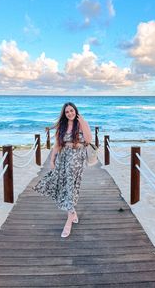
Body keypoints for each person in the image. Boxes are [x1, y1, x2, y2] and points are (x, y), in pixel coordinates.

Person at [32, 102, 92, 238]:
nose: (70, 113)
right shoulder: (63, 126)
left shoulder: (82, 123)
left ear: (76, 111)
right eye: (67, 112)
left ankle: (69, 221)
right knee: (63, 185)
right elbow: (58, 144)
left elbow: (88, 140)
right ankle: (72, 212)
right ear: (64, 114)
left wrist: (82, 121)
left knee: (70, 186)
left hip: (76, 159)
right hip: (63, 157)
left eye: (72, 110)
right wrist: (52, 160)